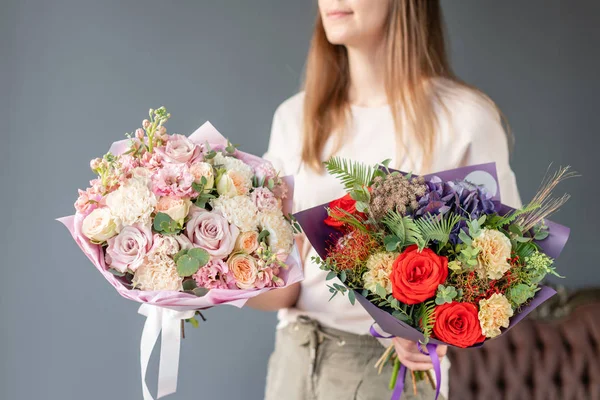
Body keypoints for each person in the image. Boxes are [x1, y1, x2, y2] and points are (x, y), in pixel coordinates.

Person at [248, 1, 521, 399]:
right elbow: (284, 291)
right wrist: (208, 274)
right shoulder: (296, 118)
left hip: (390, 376)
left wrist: (427, 328)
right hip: (294, 362)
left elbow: (502, 273)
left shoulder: (464, 120)